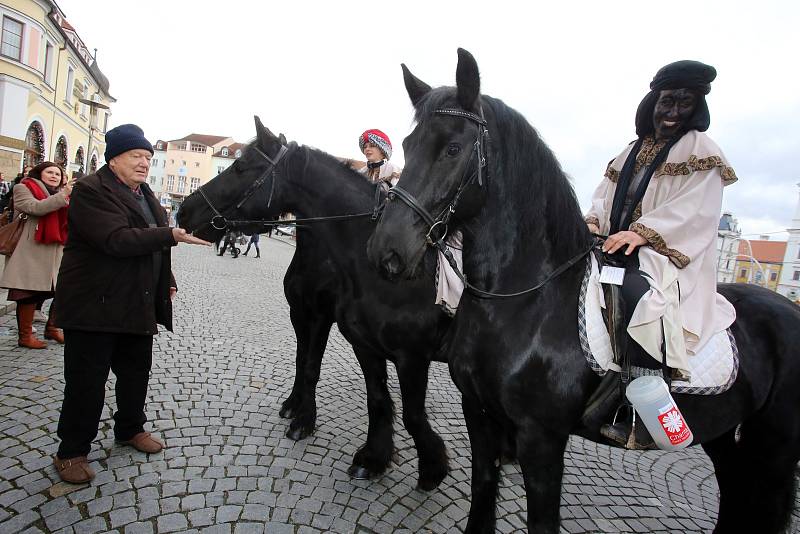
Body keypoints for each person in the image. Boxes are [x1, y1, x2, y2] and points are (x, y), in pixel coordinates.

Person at [584, 60, 737, 447]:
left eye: (683, 104)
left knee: (640, 297)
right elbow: (604, 195)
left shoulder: (703, 152)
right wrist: (592, 221)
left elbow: (696, 210)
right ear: (652, 101)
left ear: (697, 107)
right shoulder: (630, 150)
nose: (671, 113)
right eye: (666, 102)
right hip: (612, 244)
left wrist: (640, 234)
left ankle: (638, 410)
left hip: (662, 254)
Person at [51, 124, 210, 484]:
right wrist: (170, 235)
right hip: (94, 305)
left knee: (136, 374)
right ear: (114, 159)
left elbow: (152, 245)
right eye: (136, 156)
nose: (143, 163)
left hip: (135, 303)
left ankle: (129, 429)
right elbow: (116, 239)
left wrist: (164, 279)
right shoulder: (92, 190)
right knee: (86, 382)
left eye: (148, 157)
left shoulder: (144, 192)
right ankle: (72, 451)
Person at [0, 162, 71, 348]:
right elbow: (35, 207)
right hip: (30, 248)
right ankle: (25, 335)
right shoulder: (23, 187)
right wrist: (64, 196)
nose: (54, 176)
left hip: (55, 248)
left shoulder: (61, 194)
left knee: (62, 289)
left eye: (58, 173)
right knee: (27, 292)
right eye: (50, 172)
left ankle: (53, 328)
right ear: (40, 173)